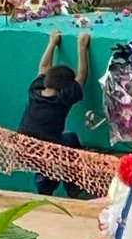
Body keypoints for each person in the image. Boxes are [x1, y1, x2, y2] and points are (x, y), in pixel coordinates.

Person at [18, 31, 91, 197]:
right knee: (70, 142)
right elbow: (82, 75)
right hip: (51, 147)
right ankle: (74, 184)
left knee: (46, 163)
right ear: (66, 87)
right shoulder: (63, 98)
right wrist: (82, 47)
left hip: (25, 145)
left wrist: (52, 43)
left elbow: (44, 67)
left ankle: (44, 186)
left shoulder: (35, 91)